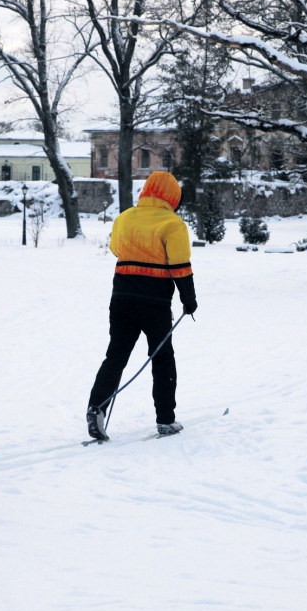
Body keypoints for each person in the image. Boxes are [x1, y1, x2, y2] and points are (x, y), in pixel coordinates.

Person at [86, 171, 197, 442]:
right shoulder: (173, 224)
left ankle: (96, 407)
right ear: (173, 197)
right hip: (156, 303)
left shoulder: (124, 217)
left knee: (115, 357)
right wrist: (189, 300)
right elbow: (180, 266)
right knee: (162, 359)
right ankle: (166, 420)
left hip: (121, 298)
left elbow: (116, 249)